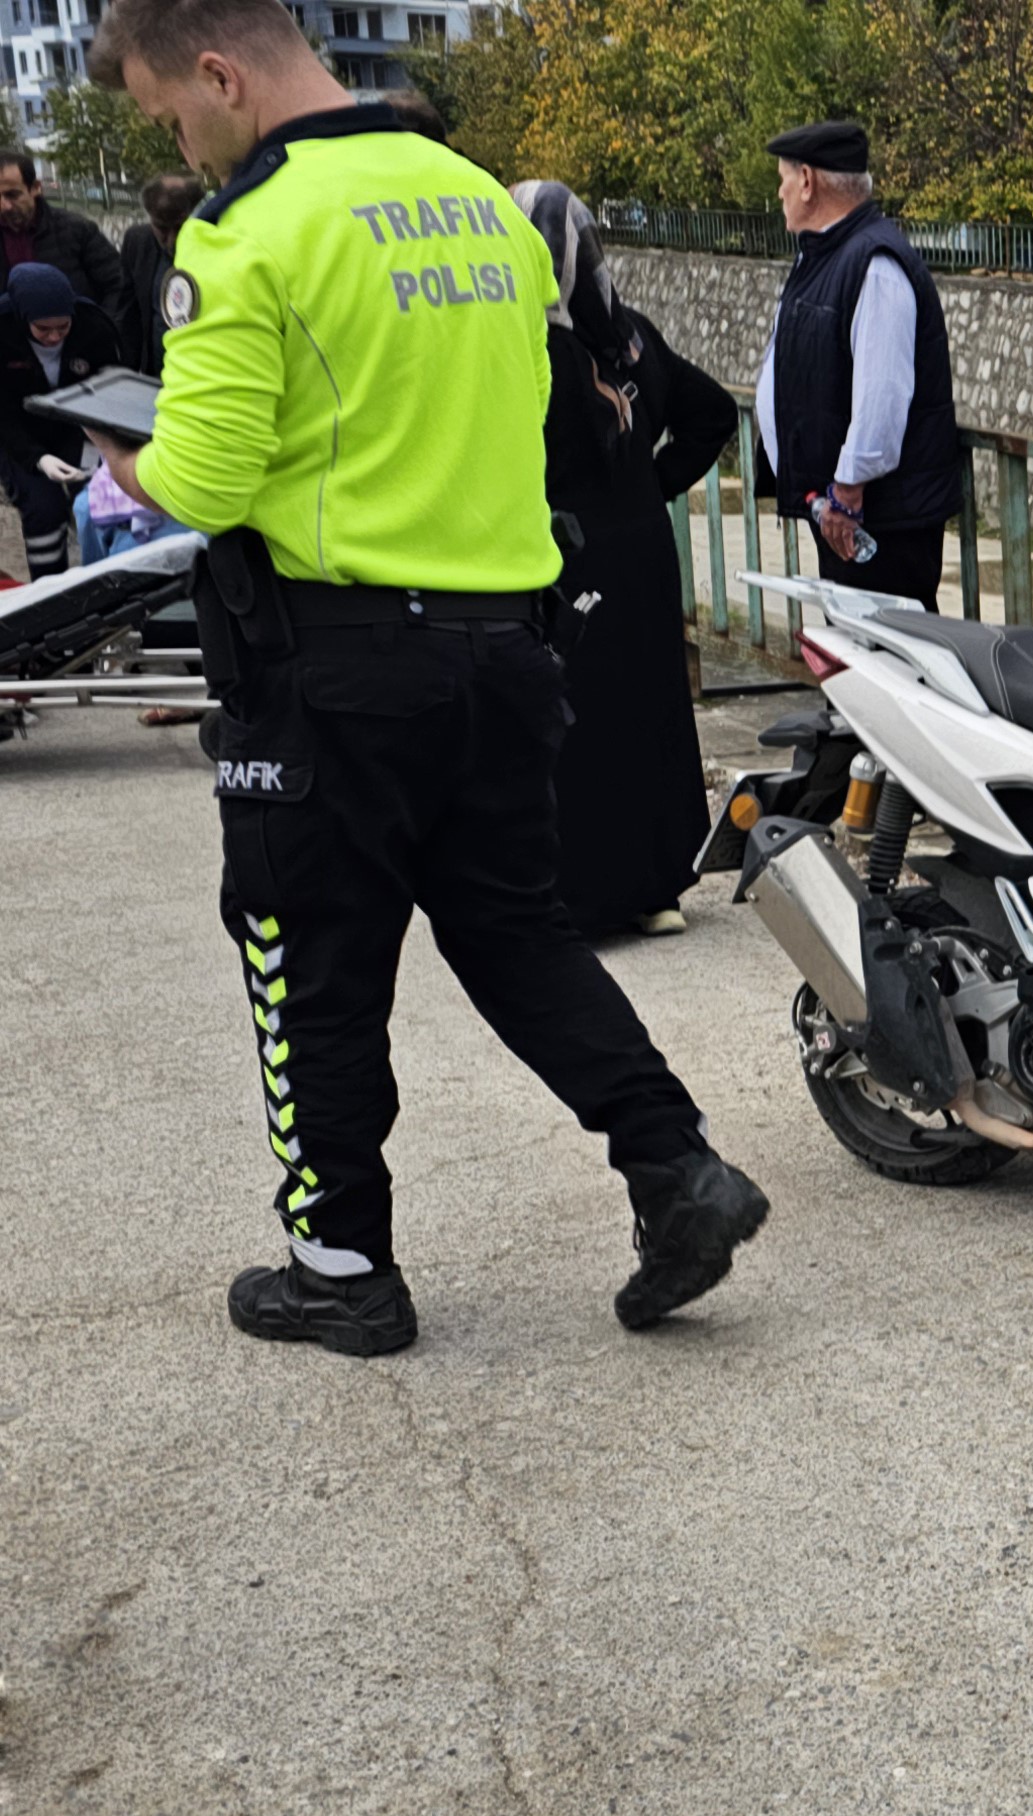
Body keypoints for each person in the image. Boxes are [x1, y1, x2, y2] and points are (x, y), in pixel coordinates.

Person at [86, 0, 770, 1356]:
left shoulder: (245, 231)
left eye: (173, 111)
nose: (179, 137)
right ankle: (677, 1164)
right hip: (502, 655)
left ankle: (340, 1268)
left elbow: (209, 480)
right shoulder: (476, 203)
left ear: (221, 73)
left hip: (330, 671)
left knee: (310, 961)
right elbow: (537, 418)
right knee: (518, 934)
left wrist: (127, 464)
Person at [511, 178, 735, 939]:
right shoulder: (629, 334)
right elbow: (712, 413)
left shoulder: (521, 349)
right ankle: (657, 888)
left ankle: (579, 895)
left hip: (560, 555)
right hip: (640, 551)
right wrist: (652, 484)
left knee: (574, 720)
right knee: (651, 709)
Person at [752, 119, 962, 610]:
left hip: (875, 520)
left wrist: (847, 492)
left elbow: (881, 396)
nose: (779, 193)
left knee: (891, 668)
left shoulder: (874, 264)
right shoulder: (826, 256)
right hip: (843, 515)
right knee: (857, 669)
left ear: (807, 181)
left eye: (783, 179)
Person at [0, 262, 123, 577]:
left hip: (81, 429)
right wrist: (37, 459)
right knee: (42, 509)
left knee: (101, 500)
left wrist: (100, 445)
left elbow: (112, 392)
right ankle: (50, 591)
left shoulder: (94, 328)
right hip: (21, 434)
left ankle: (107, 582)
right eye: (43, 329)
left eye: (62, 327)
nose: (54, 336)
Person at [0, 149, 126, 320]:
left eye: (12, 195)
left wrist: (101, 331)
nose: (5, 206)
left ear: (36, 188)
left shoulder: (76, 229)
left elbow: (118, 285)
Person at [115, 171, 205, 373]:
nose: (171, 240)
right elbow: (128, 314)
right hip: (154, 371)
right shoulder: (137, 242)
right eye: (162, 228)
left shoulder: (218, 244)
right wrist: (125, 372)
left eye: (180, 227)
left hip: (199, 371)